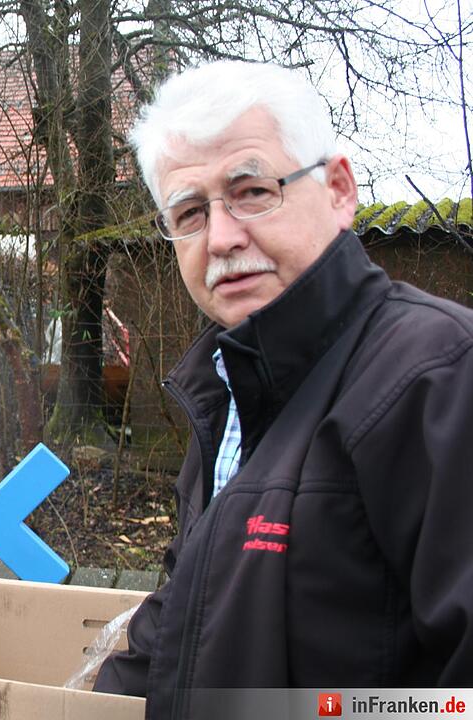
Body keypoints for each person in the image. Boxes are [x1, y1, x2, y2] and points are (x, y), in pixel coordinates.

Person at [93, 61, 473, 715]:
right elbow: (186, 619)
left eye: (252, 191)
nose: (221, 237)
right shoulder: (228, 393)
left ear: (339, 189)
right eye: (189, 211)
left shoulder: (439, 378)